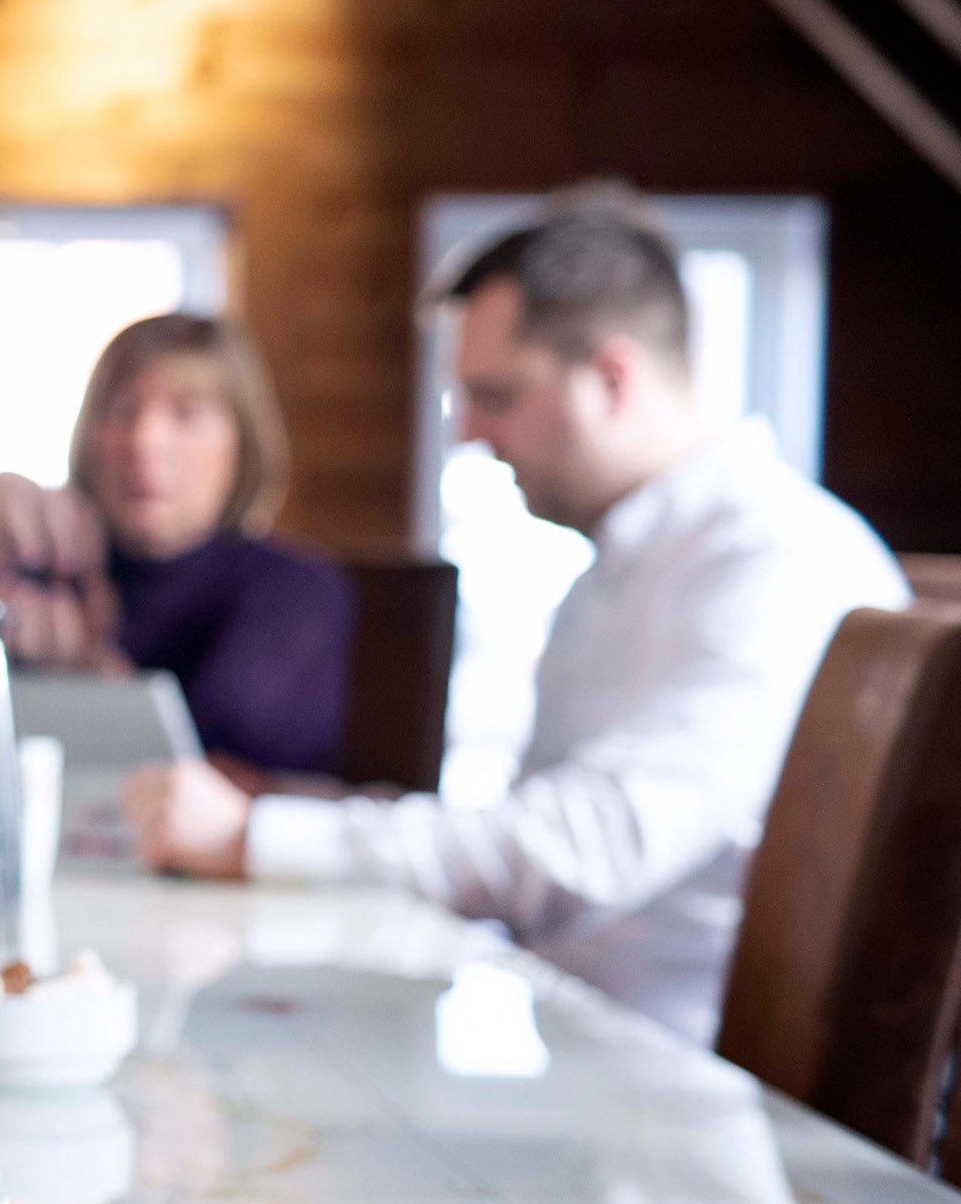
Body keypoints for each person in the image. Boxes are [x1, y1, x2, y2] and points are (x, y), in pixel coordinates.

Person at [125, 189, 909, 1044]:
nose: (470, 434)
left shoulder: (777, 560)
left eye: (495, 394)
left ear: (611, 378)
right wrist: (283, 808)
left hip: (686, 1093)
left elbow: (585, 851)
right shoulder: (619, 565)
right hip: (579, 1046)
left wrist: (263, 837)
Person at [0, 314, 352, 777]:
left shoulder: (293, 593)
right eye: (121, 410)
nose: (144, 440)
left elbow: (233, 753)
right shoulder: (40, 569)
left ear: (243, 442)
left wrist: (90, 674)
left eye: (187, 413)